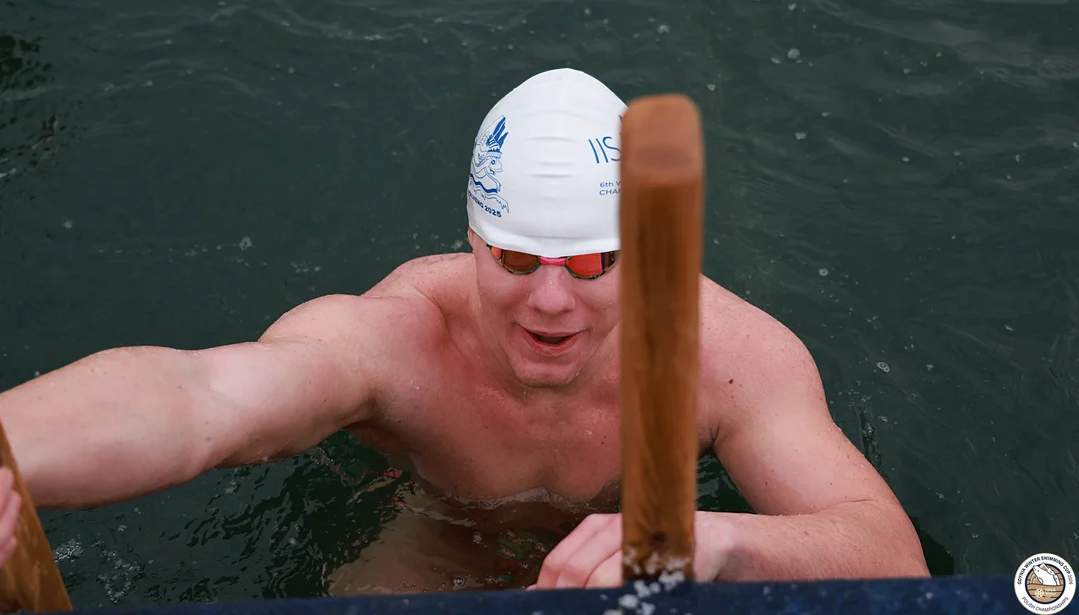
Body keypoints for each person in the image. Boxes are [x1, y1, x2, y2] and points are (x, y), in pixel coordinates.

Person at [0, 68, 930, 591]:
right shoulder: (398, 338)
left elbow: (889, 555)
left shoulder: (725, 356)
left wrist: (712, 542)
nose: (550, 302)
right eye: (517, 260)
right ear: (474, 242)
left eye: (593, 264)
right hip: (443, 535)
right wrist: (10, 449)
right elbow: (200, 397)